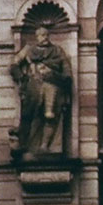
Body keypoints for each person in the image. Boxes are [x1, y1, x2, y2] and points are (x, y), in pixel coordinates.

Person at [9, 22, 72, 158]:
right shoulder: (29, 50)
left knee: (50, 115)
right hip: (34, 85)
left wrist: (62, 78)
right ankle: (24, 143)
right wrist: (22, 77)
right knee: (28, 114)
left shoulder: (57, 50)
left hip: (52, 84)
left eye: (46, 34)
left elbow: (66, 70)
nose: (45, 37)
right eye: (42, 35)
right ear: (36, 37)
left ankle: (45, 146)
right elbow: (14, 64)